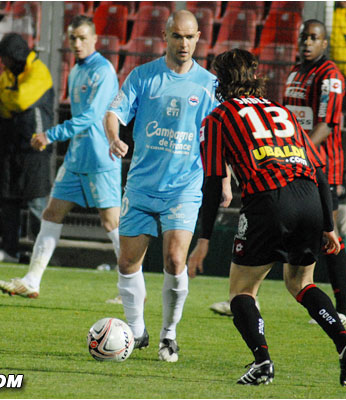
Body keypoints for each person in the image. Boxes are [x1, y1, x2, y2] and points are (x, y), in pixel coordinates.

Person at [189, 48, 346, 386]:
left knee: (242, 290)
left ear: (220, 82)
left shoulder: (218, 118)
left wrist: (204, 239)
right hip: (310, 197)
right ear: (255, 77)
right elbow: (319, 170)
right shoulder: (282, 111)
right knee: (301, 283)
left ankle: (262, 362)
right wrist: (328, 225)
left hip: (268, 200)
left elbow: (212, 183)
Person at [104, 10, 222, 363]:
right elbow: (113, 113)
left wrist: (226, 178)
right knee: (127, 262)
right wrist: (114, 138)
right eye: (177, 37)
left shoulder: (209, 85)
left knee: (174, 259)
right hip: (141, 185)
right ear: (165, 36)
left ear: (198, 38)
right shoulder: (143, 76)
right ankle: (136, 330)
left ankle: (168, 336)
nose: (183, 44)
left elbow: (220, 135)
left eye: (189, 37)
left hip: (184, 187)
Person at [0, 16, 121, 298]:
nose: (77, 43)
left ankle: (132, 288)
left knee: (111, 223)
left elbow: (90, 117)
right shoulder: (76, 71)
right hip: (77, 157)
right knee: (52, 213)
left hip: (101, 157)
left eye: (82, 38)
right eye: (73, 38)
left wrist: (50, 135)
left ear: (94, 39)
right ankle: (32, 280)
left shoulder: (103, 70)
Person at [283, 19, 346, 327]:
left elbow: (326, 125)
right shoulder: (295, 73)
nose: (307, 43)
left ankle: (345, 310)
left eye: (313, 38)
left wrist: (300, 150)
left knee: (330, 233)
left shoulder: (330, 77)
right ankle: (247, 294)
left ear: (324, 43)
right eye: (303, 37)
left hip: (324, 167)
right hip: (297, 164)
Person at [0, 33, 53, 263]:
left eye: (5, 58)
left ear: (15, 56)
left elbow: (20, 99)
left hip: (35, 147)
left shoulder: (39, 71)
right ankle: (9, 250)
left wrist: (9, 99)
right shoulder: (8, 75)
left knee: (36, 203)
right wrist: (8, 100)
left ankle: (44, 255)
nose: (3, 63)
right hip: (11, 145)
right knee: (8, 199)